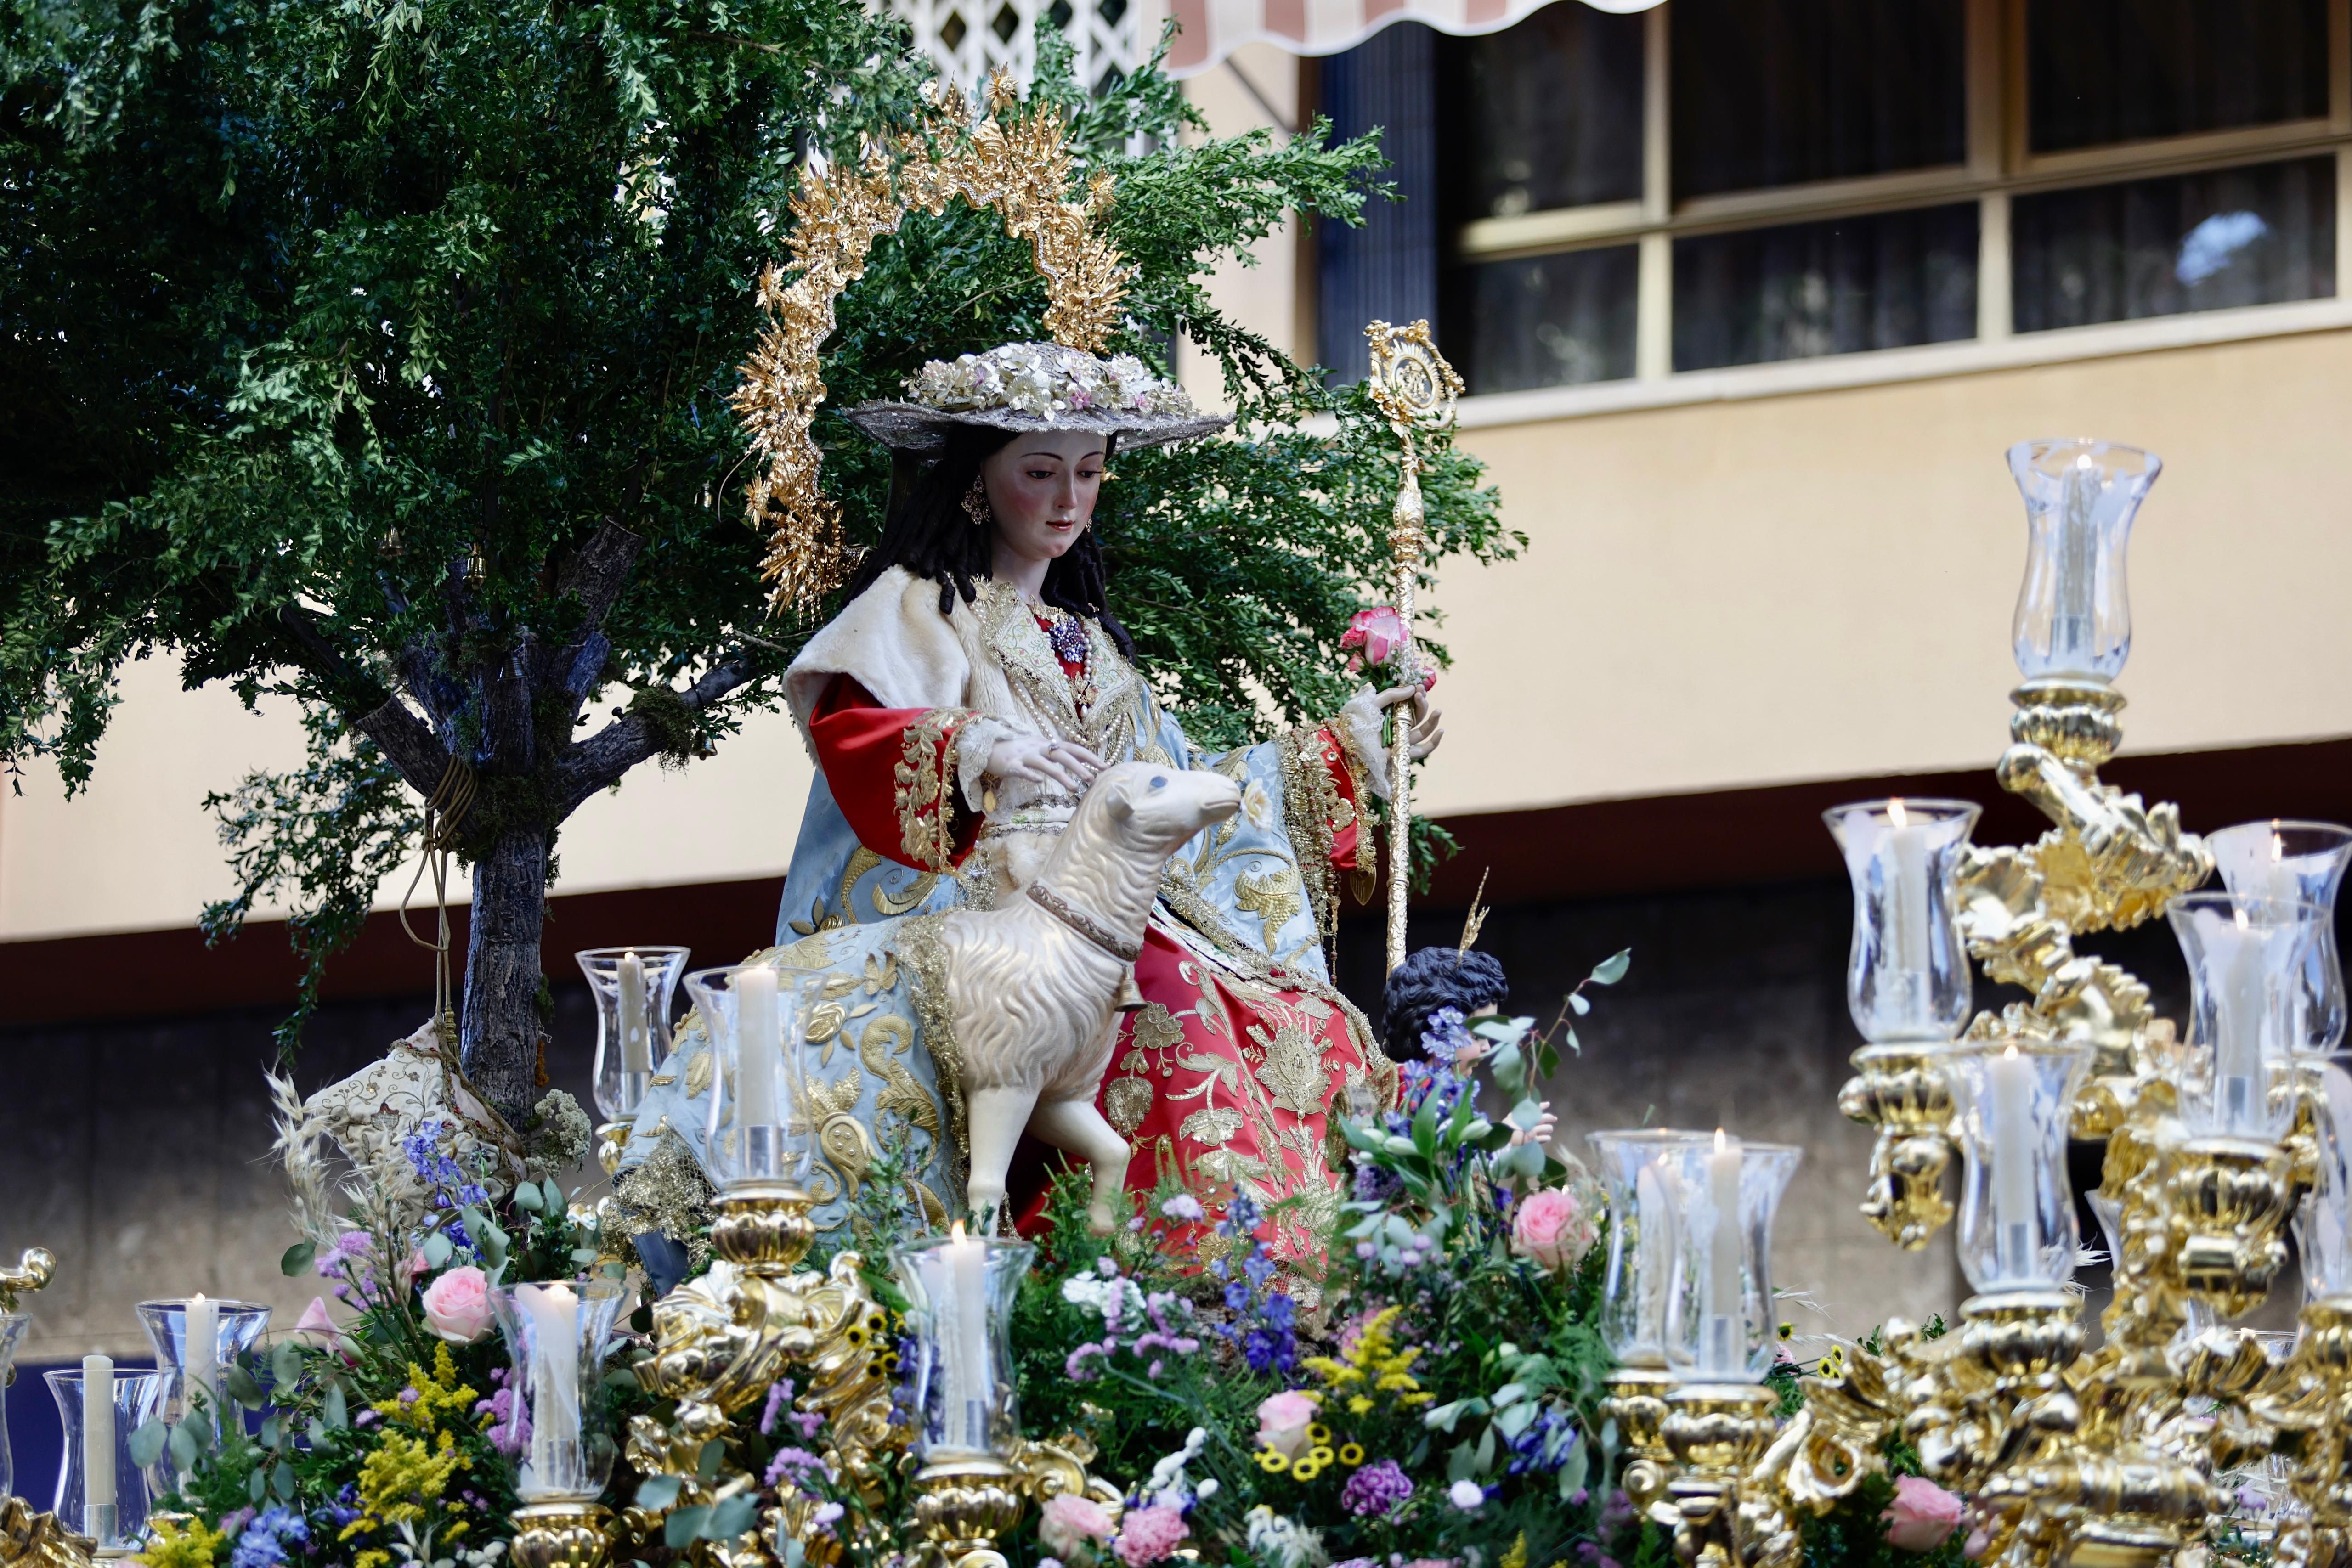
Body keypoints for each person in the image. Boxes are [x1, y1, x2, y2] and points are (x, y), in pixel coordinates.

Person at [772, 340, 1442, 1260]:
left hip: (1125, 904)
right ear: (977, 482)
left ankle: (1310, 1254)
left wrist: (1337, 751)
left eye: (1088, 474)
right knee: (1169, 996)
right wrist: (979, 745)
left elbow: (1182, 780)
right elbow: (852, 730)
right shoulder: (921, 609)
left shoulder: (1094, 643)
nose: (1067, 502)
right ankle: (1176, 1263)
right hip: (998, 902)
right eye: (1039, 473)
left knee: (1303, 1013)